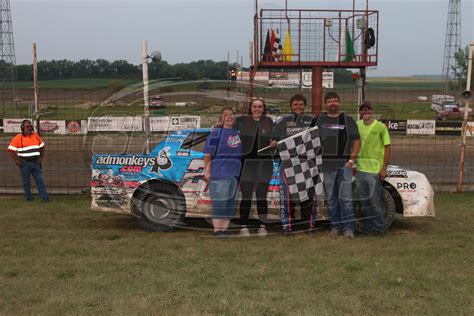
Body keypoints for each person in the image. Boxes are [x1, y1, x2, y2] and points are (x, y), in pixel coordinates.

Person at [312, 92, 360, 239]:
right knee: (331, 199)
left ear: (339, 103)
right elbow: (311, 139)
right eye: (330, 101)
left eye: (335, 101)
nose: (332, 103)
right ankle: (335, 227)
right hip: (326, 166)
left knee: (345, 198)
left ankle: (349, 228)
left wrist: (351, 160)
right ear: (326, 104)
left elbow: (357, 140)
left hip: (344, 166)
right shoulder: (319, 120)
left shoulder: (347, 120)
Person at [272, 94, 317, 236]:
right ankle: (288, 227)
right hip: (288, 164)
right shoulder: (282, 122)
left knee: (307, 198)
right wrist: (273, 143)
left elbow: (318, 140)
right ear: (291, 106)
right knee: (288, 198)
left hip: (307, 164)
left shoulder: (312, 121)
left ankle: (308, 227)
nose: (298, 107)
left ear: (305, 106)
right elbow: (273, 141)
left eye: (301, 104)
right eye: (295, 104)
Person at [235, 97, 274, 237]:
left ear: (264, 109)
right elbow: (227, 127)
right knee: (246, 196)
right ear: (250, 108)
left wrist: (275, 141)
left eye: (260, 107)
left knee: (262, 196)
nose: (257, 109)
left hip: (265, 164)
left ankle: (262, 226)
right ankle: (243, 227)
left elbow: (276, 137)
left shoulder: (269, 122)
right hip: (247, 164)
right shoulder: (242, 121)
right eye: (254, 107)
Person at [203, 107, 242, 238]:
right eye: (226, 115)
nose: (229, 117)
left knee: (230, 203)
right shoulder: (216, 133)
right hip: (219, 173)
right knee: (220, 202)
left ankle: (224, 230)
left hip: (234, 174)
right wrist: (207, 171)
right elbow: (208, 154)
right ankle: (217, 230)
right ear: (221, 118)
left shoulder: (238, 132)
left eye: (231, 114)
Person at [355, 101, 391, 237]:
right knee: (364, 201)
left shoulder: (381, 127)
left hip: (374, 170)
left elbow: (388, 147)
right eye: (363, 110)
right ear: (360, 112)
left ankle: (379, 229)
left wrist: (384, 168)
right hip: (360, 169)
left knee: (374, 201)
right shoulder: (357, 125)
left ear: (372, 111)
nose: (365, 112)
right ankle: (368, 228)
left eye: (368, 109)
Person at [7, 119, 49, 202]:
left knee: (40, 181)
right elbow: (11, 150)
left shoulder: (36, 136)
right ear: (22, 127)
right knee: (26, 182)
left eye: (30, 126)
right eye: (27, 126)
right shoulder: (18, 138)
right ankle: (29, 198)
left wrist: (41, 158)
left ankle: (45, 198)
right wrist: (17, 160)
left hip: (36, 163)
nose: (29, 128)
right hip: (24, 163)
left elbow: (42, 147)